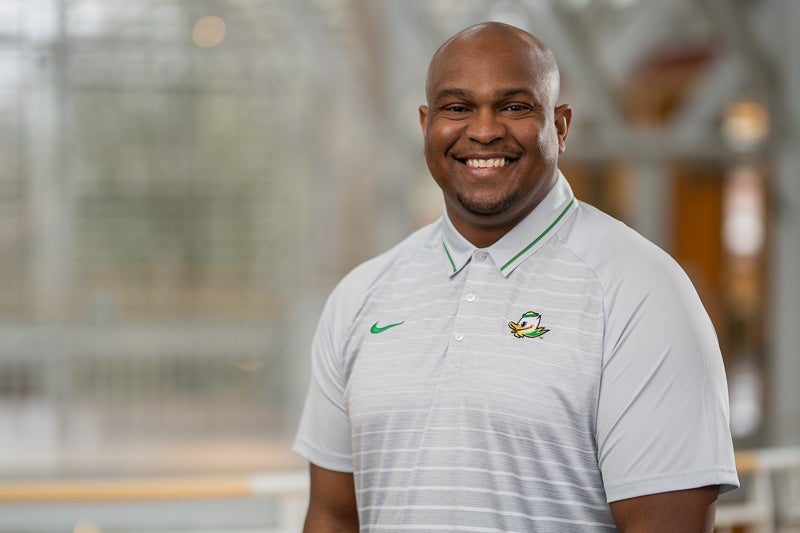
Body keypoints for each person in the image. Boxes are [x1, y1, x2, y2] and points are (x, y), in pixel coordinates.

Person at [294, 21, 739, 532]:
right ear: (425, 125)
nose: (483, 131)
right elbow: (332, 515)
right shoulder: (361, 295)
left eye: (514, 106)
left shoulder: (642, 293)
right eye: (457, 107)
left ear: (562, 126)